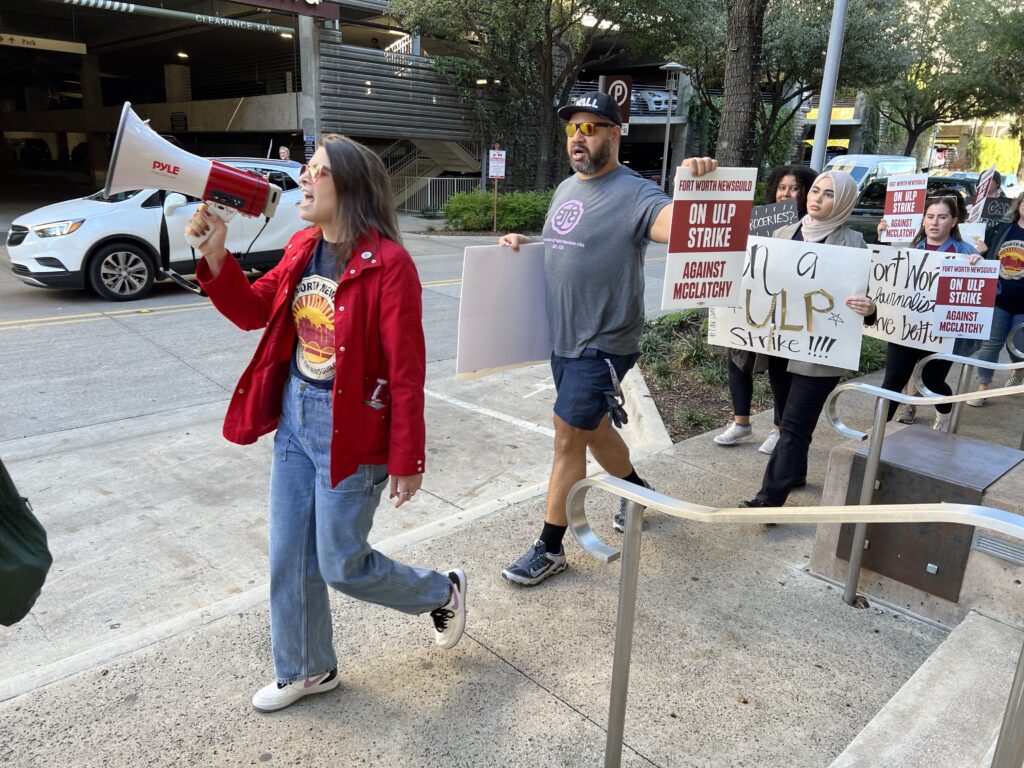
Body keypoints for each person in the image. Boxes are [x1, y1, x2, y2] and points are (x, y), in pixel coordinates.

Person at [186, 134, 467, 712]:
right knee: (289, 557)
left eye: (316, 172)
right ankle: (307, 669)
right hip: (295, 420)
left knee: (340, 563)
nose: (303, 181)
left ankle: (442, 590)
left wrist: (406, 457)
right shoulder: (301, 247)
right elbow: (253, 312)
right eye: (306, 171)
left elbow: (407, 369)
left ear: (350, 187)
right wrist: (216, 254)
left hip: (352, 431)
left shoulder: (390, 264)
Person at [497, 91, 716, 585]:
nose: (579, 137)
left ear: (615, 135)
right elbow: (567, 244)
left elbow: (678, 227)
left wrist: (696, 190)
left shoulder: (636, 193)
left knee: (567, 433)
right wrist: (526, 243)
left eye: (591, 128)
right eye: (572, 128)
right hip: (565, 339)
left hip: (605, 340)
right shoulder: (565, 189)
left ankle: (550, 547)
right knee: (592, 428)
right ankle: (638, 490)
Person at [739, 171, 875, 509]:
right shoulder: (784, 233)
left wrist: (869, 307)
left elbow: (873, 302)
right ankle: (795, 473)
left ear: (843, 202)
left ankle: (768, 500)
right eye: (815, 190)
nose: (817, 198)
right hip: (782, 346)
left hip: (821, 353)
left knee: (796, 425)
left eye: (829, 194)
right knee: (788, 420)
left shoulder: (855, 244)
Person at [714, 164, 818, 454]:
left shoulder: (809, 225)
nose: (787, 194)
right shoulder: (758, 219)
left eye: (795, 188)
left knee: (779, 369)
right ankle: (741, 423)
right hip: (750, 303)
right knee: (737, 360)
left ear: (806, 191)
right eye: (782, 187)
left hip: (784, 308)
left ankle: (778, 427)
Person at [876, 197, 982, 430]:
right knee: (892, 380)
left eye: (942, 217)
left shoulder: (966, 252)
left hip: (941, 331)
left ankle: (944, 417)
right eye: (930, 216)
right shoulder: (910, 249)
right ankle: (877, 431)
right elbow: (882, 278)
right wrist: (881, 241)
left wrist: (980, 269)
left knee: (932, 381)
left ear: (954, 221)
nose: (935, 222)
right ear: (923, 220)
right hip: (906, 327)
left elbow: (991, 293)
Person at [968, 190, 1024, 405]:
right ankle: (982, 386)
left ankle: (1018, 372)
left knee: (1019, 345)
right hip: (998, 298)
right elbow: (984, 251)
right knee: (991, 344)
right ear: (1018, 205)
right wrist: (980, 251)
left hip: (1023, 304)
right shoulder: (1002, 229)